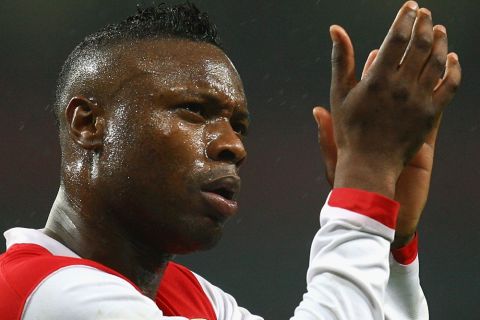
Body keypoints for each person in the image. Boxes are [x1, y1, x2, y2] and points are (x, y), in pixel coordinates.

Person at [0, 1, 461, 319]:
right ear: (88, 124)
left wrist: (391, 238)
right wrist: (364, 182)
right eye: (194, 112)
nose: (232, 146)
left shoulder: (188, 296)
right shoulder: (45, 293)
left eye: (238, 126)